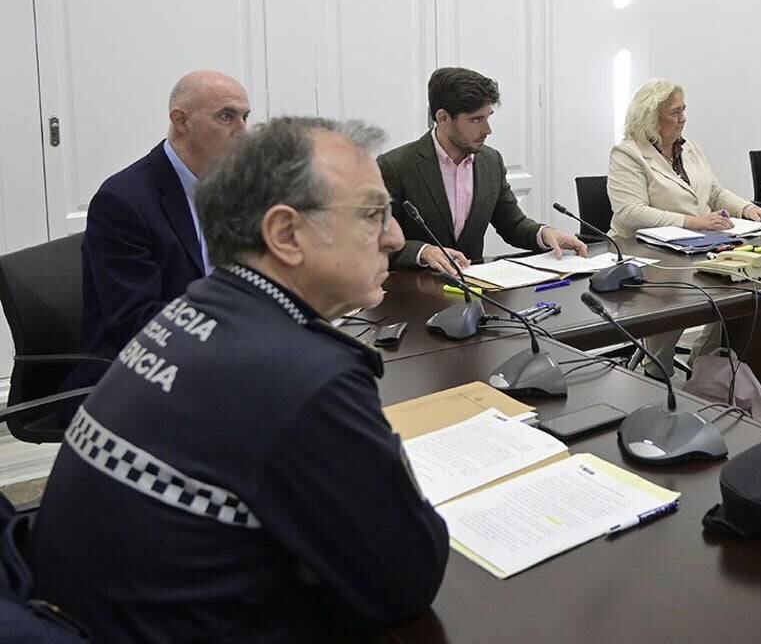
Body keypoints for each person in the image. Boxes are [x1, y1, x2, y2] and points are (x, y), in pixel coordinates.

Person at [31, 117, 449, 643]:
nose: (393, 237)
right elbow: (406, 578)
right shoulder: (306, 376)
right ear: (285, 234)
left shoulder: (197, 309)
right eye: (372, 214)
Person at [607, 78, 761, 371]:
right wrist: (692, 222)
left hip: (698, 247)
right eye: (676, 112)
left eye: (684, 110)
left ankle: (704, 366)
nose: (683, 118)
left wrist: (748, 208)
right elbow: (629, 213)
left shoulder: (689, 149)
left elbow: (713, 191)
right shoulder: (628, 154)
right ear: (651, 116)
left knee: (735, 290)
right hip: (647, 254)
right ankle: (655, 371)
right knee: (676, 293)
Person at [81, 70, 251, 360]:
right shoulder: (123, 201)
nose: (243, 131)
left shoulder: (233, 189)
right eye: (226, 116)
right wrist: (239, 329)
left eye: (245, 117)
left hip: (216, 350)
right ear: (180, 121)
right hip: (141, 369)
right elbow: (136, 320)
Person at [378, 67, 587, 274]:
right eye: (476, 119)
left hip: (475, 291)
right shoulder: (395, 166)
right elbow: (373, 242)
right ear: (443, 118)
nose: (488, 130)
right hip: (413, 293)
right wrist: (422, 251)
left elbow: (512, 225)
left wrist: (545, 234)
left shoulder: (491, 161)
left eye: (488, 117)